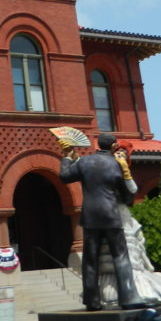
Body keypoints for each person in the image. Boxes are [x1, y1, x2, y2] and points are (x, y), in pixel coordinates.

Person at [59, 131, 142, 311]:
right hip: (111, 215)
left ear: (98, 145)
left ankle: (92, 300)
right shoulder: (117, 164)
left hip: (90, 216)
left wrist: (67, 157)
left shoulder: (84, 162)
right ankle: (128, 298)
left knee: (90, 260)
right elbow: (128, 195)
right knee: (120, 257)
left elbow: (65, 176)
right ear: (113, 146)